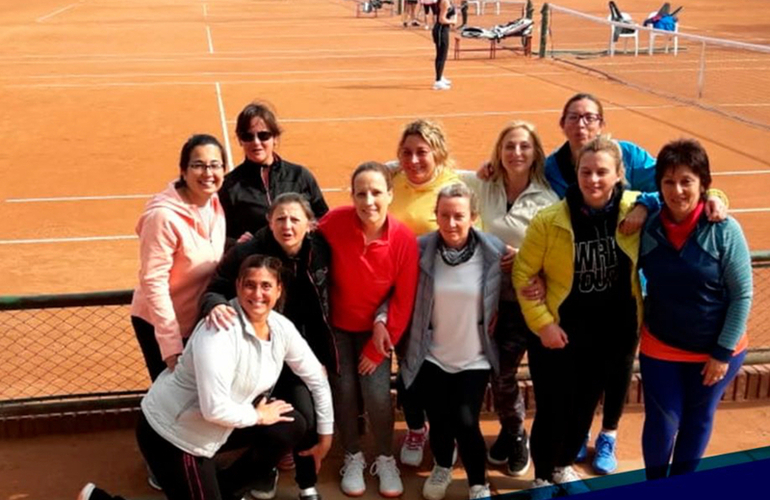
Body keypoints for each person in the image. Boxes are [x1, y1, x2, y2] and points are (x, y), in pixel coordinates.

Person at [539, 93, 728, 473]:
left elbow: (677, 180)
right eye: (574, 117)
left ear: (602, 124)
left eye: (590, 117)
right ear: (562, 124)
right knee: (582, 374)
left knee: (619, 368)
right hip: (573, 292)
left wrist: (649, 204)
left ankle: (608, 434)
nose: (582, 125)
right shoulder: (551, 167)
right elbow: (515, 178)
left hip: (622, 291)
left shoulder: (627, 155)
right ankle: (579, 435)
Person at [77, 255, 334, 500]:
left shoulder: (280, 327)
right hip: (175, 436)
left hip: (217, 427)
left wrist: (325, 436)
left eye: (266, 286)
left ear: (279, 290)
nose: (257, 294)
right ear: (237, 287)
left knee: (290, 424)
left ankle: (223, 492)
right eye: (250, 285)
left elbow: (316, 378)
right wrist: (258, 416)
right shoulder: (219, 331)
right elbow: (213, 409)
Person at [513, 136, 644, 497]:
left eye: (602, 172)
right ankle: (541, 475)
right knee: (553, 406)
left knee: (585, 405)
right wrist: (544, 324)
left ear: (619, 174)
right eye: (586, 172)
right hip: (560, 333)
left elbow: (688, 198)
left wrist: (716, 200)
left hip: (612, 334)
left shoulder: (634, 209)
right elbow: (523, 272)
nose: (593, 179)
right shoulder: (550, 219)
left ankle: (561, 467)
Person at [200, 193, 334, 500]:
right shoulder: (248, 251)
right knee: (256, 417)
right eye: (280, 219)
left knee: (304, 418)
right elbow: (217, 286)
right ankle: (259, 472)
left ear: (309, 225)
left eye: (295, 219)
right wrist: (214, 305)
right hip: (255, 350)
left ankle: (307, 484)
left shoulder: (322, 249)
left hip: (297, 349)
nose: (287, 226)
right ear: (269, 222)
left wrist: (323, 354)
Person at [638, 139, 752, 480]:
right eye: (668, 182)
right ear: (658, 186)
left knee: (698, 419)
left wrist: (721, 352)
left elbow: (742, 295)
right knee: (662, 421)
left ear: (703, 184)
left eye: (687, 181)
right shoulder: (646, 226)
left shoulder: (725, 230)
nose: (678, 190)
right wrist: (643, 205)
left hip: (716, 351)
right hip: (661, 346)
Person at [459, 121, 559, 477]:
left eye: (524, 147)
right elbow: (436, 174)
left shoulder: (548, 200)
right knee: (499, 375)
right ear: (499, 152)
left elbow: (559, 251)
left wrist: (527, 256)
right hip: (490, 302)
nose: (517, 153)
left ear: (536, 154)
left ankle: (519, 436)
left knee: (519, 376)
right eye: (509, 146)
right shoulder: (481, 185)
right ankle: (514, 430)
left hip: (529, 303)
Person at [318, 162, 419, 498]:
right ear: (352, 196)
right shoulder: (333, 223)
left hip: (375, 334)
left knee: (376, 394)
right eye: (361, 193)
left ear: (390, 194)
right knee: (344, 391)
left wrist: (378, 348)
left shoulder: (403, 240)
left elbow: (404, 300)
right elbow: (303, 241)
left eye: (376, 192)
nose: (369, 201)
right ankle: (353, 454)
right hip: (337, 329)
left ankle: (385, 457)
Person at [400, 183, 505, 500]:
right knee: (439, 420)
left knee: (465, 419)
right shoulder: (420, 251)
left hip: (474, 357)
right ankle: (442, 466)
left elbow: (517, 286)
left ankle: (478, 484)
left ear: (473, 217)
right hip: (432, 355)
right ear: (436, 216)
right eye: (444, 215)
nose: (451, 223)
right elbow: (396, 290)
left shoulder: (494, 252)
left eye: (459, 215)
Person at [388, 119, 461, 468]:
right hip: (401, 298)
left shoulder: (455, 187)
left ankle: (446, 431)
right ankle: (416, 427)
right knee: (409, 370)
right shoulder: (392, 182)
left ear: (438, 153)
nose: (414, 160)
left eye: (422, 152)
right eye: (406, 152)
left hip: (442, 300)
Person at [218, 101, 328, 246]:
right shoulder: (229, 186)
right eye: (248, 136)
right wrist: (235, 243)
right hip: (256, 263)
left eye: (263, 135)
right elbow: (216, 234)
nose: (256, 142)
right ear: (240, 140)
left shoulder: (300, 176)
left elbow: (324, 217)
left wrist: (308, 228)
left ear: (275, 138)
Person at [432, 0, 457, 90]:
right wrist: (452, 21)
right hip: (440, 31)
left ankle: (440, 76)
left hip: (444, 30)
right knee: (441, 55)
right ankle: (438, 81)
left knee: (443, 54)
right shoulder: (445, 2)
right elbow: (441, 19)